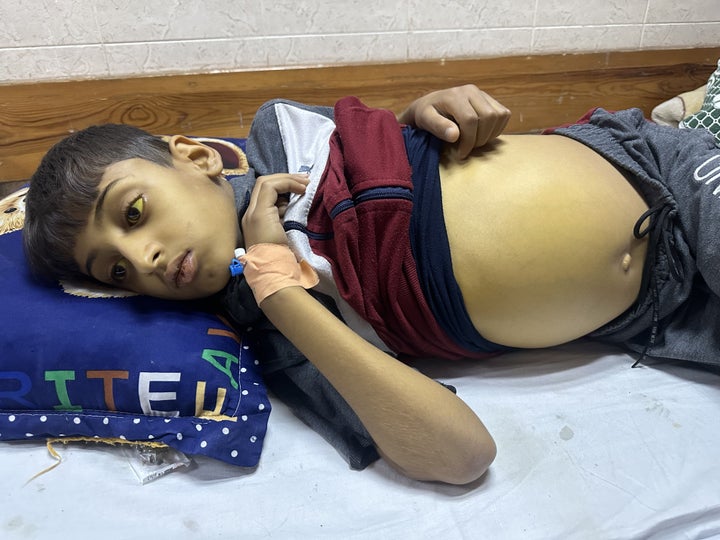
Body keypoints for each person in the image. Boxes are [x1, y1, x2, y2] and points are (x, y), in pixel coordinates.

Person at [22, 84, 720, 485]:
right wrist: (278, 288)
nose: (142, 259)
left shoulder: (289, 139)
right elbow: (461, 456)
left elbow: (390, 144)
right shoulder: (278, 334)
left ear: (198, 156)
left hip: (657, 168)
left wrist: (434, 107)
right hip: (664, 311)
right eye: (115, 270)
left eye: (133, 212)